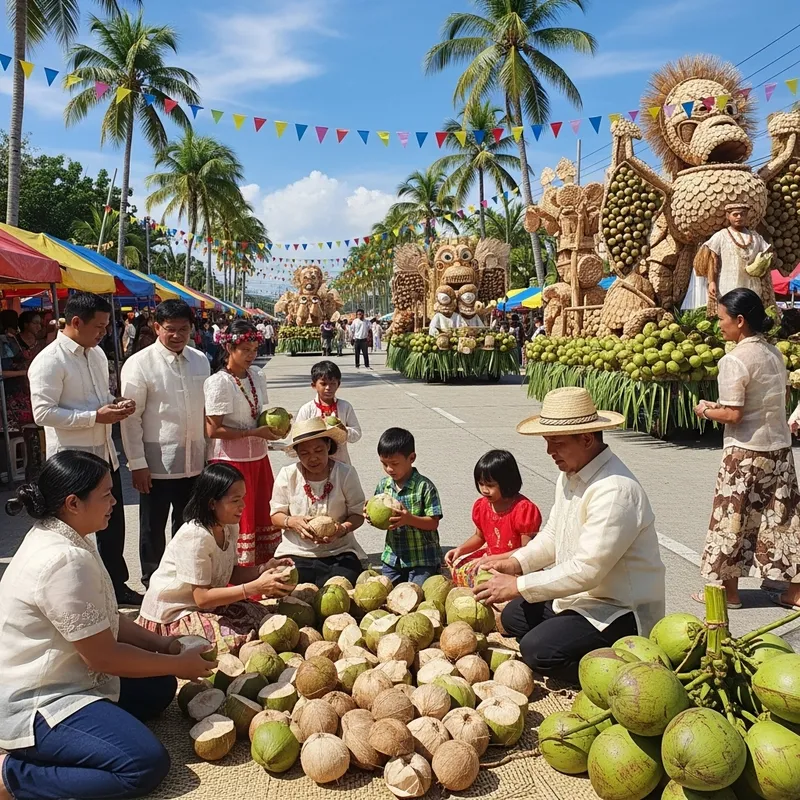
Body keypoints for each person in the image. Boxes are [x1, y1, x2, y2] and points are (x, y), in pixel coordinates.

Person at [0, 451, 214, 800]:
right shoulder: (63, 560)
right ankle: (13, 776)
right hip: (40, 699)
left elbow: (106, 620)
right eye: (106, 494)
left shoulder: (67, 535)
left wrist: (164, 646)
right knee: (144, 764)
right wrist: (179, 664)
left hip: (70, 674)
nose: (115, 501)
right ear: (73, 503)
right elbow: (103, 658)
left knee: (159, 686)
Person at [476, 387, 665, 684]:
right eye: (547, 442)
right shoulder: (571, 474)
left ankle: (620, 674)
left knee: (536, 650)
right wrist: (516, 563)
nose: (549, 452)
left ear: (587, 439)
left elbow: (587, 570)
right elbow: (554, 534)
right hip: (576, 597)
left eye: (557, 443)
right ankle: (572, 640)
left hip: (617, 608)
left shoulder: (615, 491)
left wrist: (519, 584)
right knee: (513, 618)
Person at [28, 292, 140, 607]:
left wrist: (116, 405)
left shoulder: (97, 354)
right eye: (100, 327)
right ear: (76, 322)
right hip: (72, 463)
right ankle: (74, 595)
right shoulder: (49, 361)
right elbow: (43, 413)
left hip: (104, 456)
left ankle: (116, 588)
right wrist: (95, 416)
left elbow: (99, 398)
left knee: (112, 526)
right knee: (71, 533)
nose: (105, 332)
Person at [694, 288, 800, 610]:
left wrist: (705, 411)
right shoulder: (774, 353)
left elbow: (734, 414)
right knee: (784, 519)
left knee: (732, 519)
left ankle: (730, 592)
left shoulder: (734, 360)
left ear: (740, 321)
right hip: (778, 449)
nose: (719, 325)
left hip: (744, 453)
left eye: (723, 319)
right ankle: (795, 593)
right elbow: (775, 400)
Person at [137, 463, 296, 654]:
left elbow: (230, 573)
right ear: (212, 503)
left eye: (243, 499)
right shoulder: (196, 536)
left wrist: (263, 569)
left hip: (205, 605)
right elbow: (202, 598)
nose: (243, 506)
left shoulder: (229, 526)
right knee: (237, 640)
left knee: (261, 616)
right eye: (235, 500)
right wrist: (255, 587)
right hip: (175, 613)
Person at [120, 300, 211, 589]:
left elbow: (206, 410)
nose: (177, 335)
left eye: (183, 329)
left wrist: (208, 454)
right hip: (155, 464)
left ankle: (184, 579)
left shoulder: (200, 360)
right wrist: (137, 464)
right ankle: (153, 582)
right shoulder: (139, 364)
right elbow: (130, 418)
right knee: (152, 527)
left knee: (189, 525)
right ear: (156, 327)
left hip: (194, 461)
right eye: (170, 329)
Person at [204, 319, 282, 568]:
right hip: (230, 462)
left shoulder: (256, 376)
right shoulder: (219, 382)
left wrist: (275, 427)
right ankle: (236, 574)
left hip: (258, 459)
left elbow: (258, 414)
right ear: (229, 349)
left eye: (254, 350)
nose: (251, 355)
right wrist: (253, 433)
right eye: (245, 350)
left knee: (261, 514)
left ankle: (262, 573)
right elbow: (213, 429)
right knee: (237, 517)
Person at [270, 418, 366, 586]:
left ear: (328, 446)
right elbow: (276, 515)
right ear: (297, 454)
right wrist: (291, 522)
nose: (313, 458)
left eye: (318, 450)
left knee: (345, 583)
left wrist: (342, 529)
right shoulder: (288, 474)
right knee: (285, 582)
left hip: (339, 551)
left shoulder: (345, 473)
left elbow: (358, 514)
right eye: (305, 453)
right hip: (297, 551)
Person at [445, 450, 541, 587]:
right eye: (481, 484)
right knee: (460, 568)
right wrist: (460, 549)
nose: (484, 490)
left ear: (507, 482)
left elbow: (527, 550)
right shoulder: (482, 506)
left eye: (490, 485)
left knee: (496, 581)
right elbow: (479, 537)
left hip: (514, 562)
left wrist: (493, 559)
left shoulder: (523, 510)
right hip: (489, 557)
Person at [371, 427, 443, 586]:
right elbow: (381, 518)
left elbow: (433, 522)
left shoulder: (425, 487)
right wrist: (371, 517)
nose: (389, 469)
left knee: (417, 593)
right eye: (384, 464)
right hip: (393, 558)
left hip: (421, 560)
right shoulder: (384, 486)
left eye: (394, 463)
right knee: (383, 593)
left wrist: (409, 519)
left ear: (411, 458)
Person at [686, 203, 774, 313]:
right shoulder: (721, 235)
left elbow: (767, 255)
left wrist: (761, 265)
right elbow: (712, 259)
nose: (739, 217)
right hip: (728, 286)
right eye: (735, 214)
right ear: (728, 216)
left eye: (742, 214)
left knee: (750, 314)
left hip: (752, 286)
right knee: (730, 314)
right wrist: (712, 282)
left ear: (747, 216)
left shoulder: (756, 237)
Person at [294, 360, 362, 465]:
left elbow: (357, 433)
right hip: (314, 464)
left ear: (338, 384)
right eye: (323, 384)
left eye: (332, 383)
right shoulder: (307, 409)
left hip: (341, 461)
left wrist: (343, 430)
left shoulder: (345, 407)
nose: (328, 388)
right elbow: (297, 438)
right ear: (313, 385)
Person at [0, 309, 33, 432]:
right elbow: (2, 372)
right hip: (8, 393)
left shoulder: (11, 339)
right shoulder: (4, 341)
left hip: (17, 390)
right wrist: (24, 372)